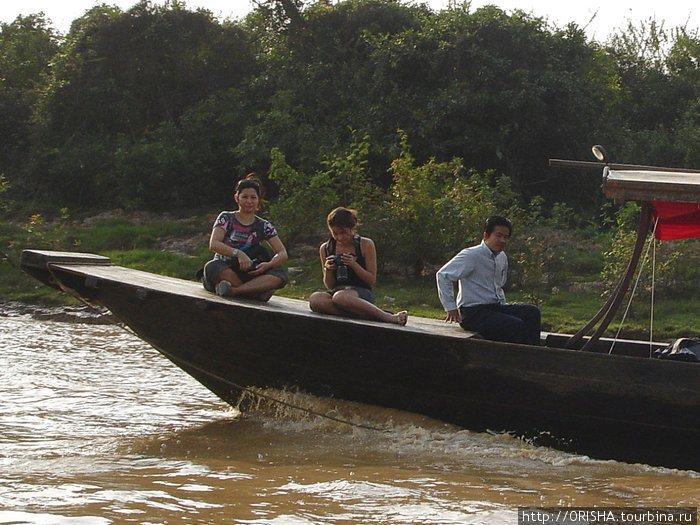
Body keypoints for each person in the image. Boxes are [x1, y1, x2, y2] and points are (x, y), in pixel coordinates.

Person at [436, 215, 541, 345]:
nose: (502, 240)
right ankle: (518, 359)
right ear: (486, 235)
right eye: (498, 235)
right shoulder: (471, 255)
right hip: (473, 312)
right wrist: (450, 307)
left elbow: (499, 285)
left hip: (494, 307)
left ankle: (534, 351)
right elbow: (443, 275)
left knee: (532, 312)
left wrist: (504, 307)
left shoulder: (501, 257)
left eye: (506, 237)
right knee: (515, 325)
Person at [309, 207, 407, 325]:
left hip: (360, 292)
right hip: (338, 291)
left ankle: (386, 316)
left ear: (352, 228)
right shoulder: (326, 248)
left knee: (341, 298)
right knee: (316, 299)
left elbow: (371, 280)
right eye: (335, 233)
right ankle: (367, 315)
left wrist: (354, 265)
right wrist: (328, 270)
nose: (340, 238)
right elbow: (330, 286)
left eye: (343, 233)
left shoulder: (365, 244)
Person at [203, 174, 288, 301]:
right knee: (212, 267)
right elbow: (214, 244)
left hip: (250, 272)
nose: (249, 201)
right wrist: (238, 253)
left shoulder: (264, 225)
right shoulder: (226, 218)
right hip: (227, 267)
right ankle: (254, 293)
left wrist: (268, 265)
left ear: (258, 200)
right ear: (237, 198)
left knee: (280, 276)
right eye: (245, 197)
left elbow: (282, 253)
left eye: (253, 197)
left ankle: (235, 291)